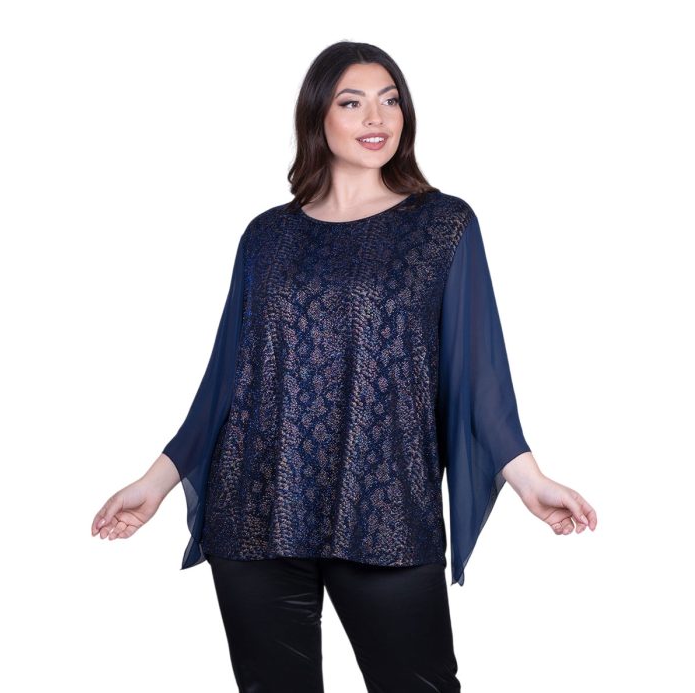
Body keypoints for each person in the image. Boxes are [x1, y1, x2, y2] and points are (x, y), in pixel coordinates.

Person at [91, 41, 597, 692]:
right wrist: (155, 482)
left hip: (385, 508)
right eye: (352, 103)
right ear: (317, 117)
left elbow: (476, 376)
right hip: (256, 509)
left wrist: (529, 479)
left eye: (390, 101)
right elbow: (226, 380)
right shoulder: (267, 236)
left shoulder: (442, 225)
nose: (376, 118)